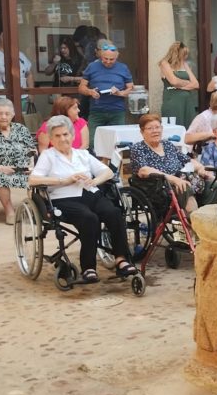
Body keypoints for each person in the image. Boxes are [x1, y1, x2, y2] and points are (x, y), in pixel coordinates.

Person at [29, 114, 138, 283]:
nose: (62, 139)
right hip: (63, 198)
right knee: (90, 219)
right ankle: (89, 268)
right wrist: (64, 180)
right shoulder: (48, 156)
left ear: (72, 136)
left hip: (90, 193)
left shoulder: (82, 154)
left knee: (114, 213)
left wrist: (95, 180)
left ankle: (121, 260)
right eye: (57, 136)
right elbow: (33, 180)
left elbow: (108, 172)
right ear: (51, 138)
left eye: (65, 134)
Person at [129, 114, 212, 212]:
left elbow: (187, 160)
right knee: (184, 187)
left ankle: (210, 218)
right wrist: (174, 180)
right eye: (150, 128)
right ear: (142, 132)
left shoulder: (167, 145)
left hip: (180, 180)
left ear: (162, 129)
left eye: (157, 127)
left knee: (212, 184)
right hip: (157, 187)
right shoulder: (138, 148)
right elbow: (143, 170)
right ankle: (193, 220)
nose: (155, 131)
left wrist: (201, 168)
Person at [0, 98, 36, 225]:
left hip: (24, 168)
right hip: (0, 169)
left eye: (7, 114)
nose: (3, 117)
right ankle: (9, 211)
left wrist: (30, 165)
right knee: (0, 178)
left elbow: (32, 149)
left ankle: (35, 210)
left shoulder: (21, 129)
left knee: (36, 178)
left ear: (12, 115)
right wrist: (0, 168)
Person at [79, 40, 134, 150]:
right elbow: (81, 87)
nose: (108, 62)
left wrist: (120, 93)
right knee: (92, 142)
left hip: (117, 111)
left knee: (118, 143)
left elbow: (131, 88)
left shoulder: (123, 68)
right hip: (97, 111)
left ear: (117, 56)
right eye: (105, 59)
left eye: (112, 59)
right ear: (100, 56)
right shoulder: (92, 67)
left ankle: (113, 166)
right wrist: (90, 92)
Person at [158, 41, 199, 127]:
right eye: (184, 54)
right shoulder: (164, 64)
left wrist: (180, 86)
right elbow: (174, 81)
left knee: (189, 125)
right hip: (173, 100)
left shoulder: (185, 64)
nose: (186, 57)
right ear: (176, 53)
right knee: (175, 124)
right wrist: (188, 83)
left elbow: (196, 84)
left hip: (187, 101)